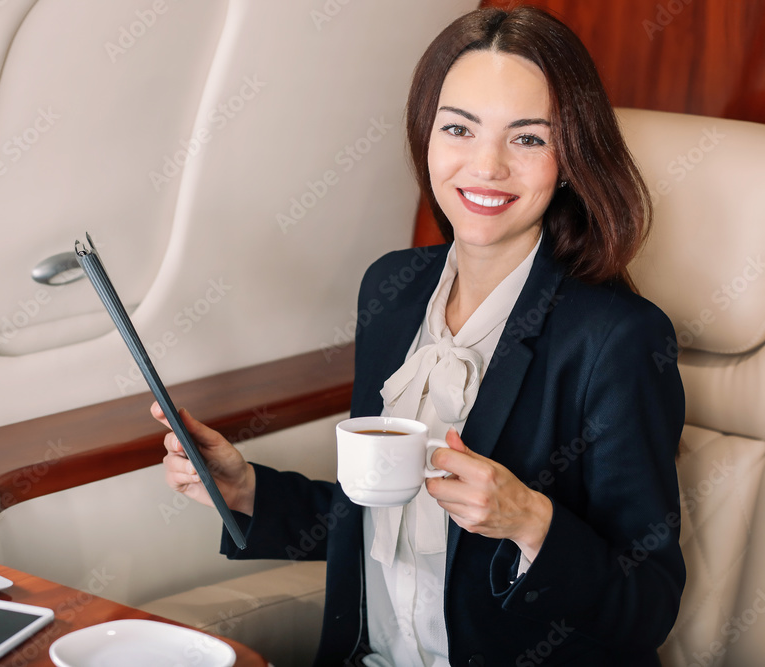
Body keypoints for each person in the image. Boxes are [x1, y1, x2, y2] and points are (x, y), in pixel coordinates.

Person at [152, 6, 685, 666]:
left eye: (527, 139)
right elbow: (376, 511)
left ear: (571, 158)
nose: (485, 166)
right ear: (425, 137)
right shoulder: (391, 290)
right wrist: (245, 490)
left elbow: (650, 604)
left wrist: (529, 520)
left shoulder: (618, 339)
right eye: (458, 128)